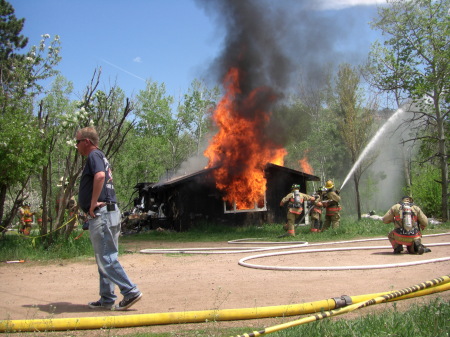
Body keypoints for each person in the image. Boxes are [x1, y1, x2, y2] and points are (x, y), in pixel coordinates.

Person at [76, 126, 142, 311]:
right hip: (110, 213)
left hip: (103, 214)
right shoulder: (100, 157)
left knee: (106, 257)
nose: (76, 146)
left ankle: (130, 291)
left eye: (77, 142)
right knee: (104, 256)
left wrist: (92, 203)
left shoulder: (94, 156)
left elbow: (99, 176)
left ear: (87, 142)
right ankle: (106, 299)